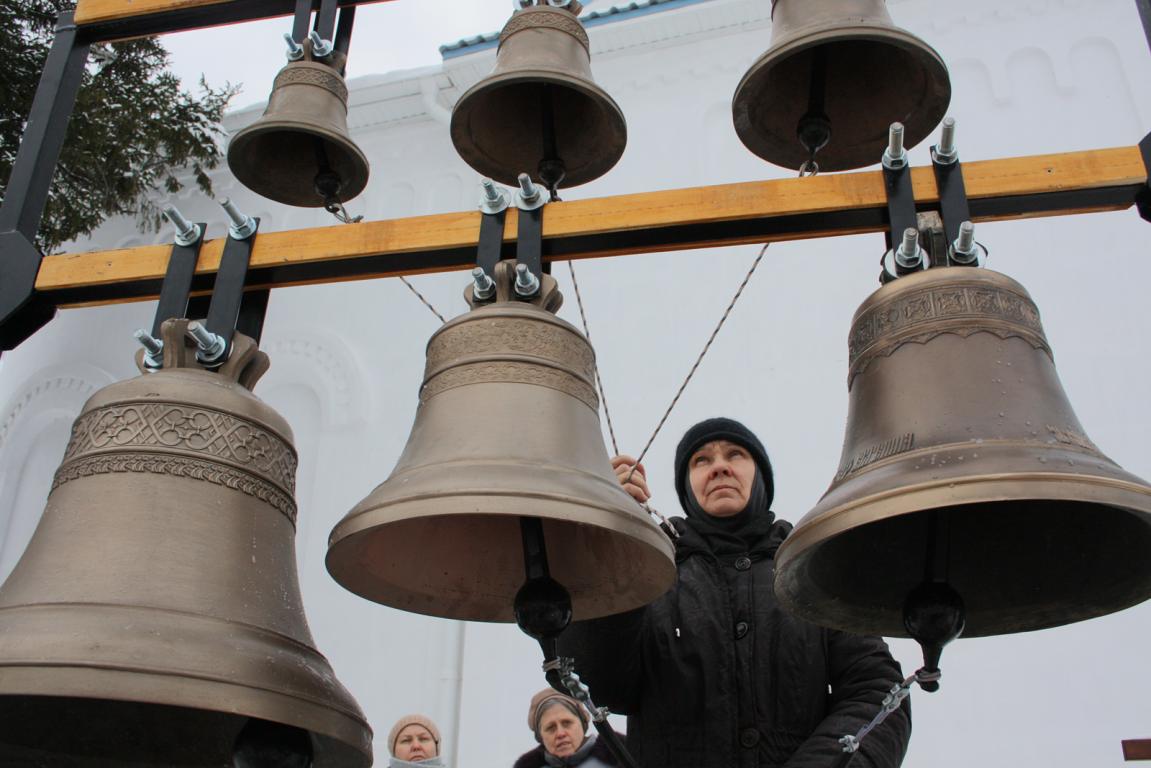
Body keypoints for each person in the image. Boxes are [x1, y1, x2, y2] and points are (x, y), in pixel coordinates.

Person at [558, 417, 912, 768]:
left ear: (760, 475)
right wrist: (614, 543)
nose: (720, 468)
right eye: (702, 461)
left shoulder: (810, 574)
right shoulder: (651, 572)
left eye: (736, 454)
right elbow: (602, 685)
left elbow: (876, 688)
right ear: (687, 486)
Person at [514, 688, 623, 768]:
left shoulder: (622, 757)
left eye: (567, 723)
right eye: (551, 728)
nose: (560, 733)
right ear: (540, 736)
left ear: (583, 723)